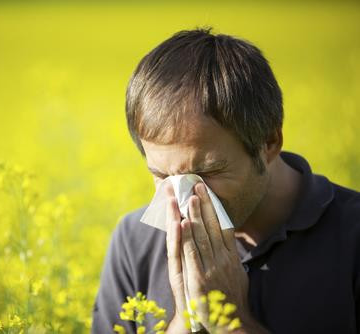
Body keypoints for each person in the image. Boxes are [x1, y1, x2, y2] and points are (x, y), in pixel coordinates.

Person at [90, 27, 360, 334]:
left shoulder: (352, 236)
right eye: (162, 175)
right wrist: (186, 321)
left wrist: (229, 322)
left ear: (269, 142)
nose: (184, 201)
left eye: (207, 172)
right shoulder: (134, 242)